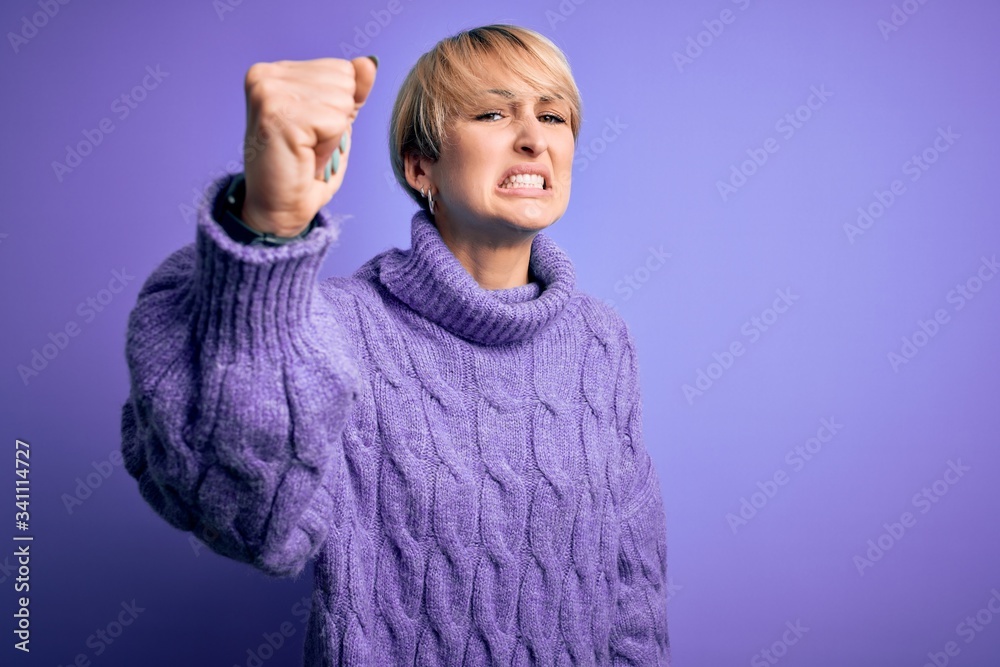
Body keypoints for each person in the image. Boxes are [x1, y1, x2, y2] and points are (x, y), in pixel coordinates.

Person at [120, 23, 671, 666]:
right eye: (493, 111)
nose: (533, 139)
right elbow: (249, 516)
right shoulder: (335, 328)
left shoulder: (601, 342)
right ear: (420, 165)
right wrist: (266, 229)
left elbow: (636, 587)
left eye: (553, 116)